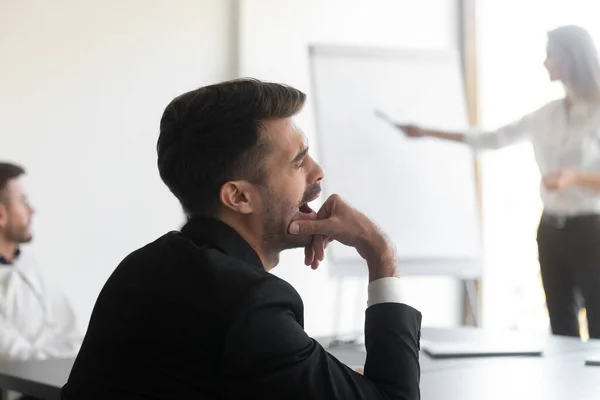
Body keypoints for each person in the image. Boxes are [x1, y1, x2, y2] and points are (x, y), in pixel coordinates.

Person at [61, 79, 422, 400]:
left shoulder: (143, 266)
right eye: (298, 162)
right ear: (239, 197)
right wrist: (379, 250)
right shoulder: (249, 303)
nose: (317, 171)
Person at [398, 25, 600, 340]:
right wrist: (426, 131)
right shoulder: (546, 115)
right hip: (550, 231)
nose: (545, 62)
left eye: (552, 54)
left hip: (592, 231)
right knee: (561, 327)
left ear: (572, 57)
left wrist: (573, 177)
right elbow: (491, 139)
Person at [0, 162, 81, 363]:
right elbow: (16, 358)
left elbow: (73, 332)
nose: (31, 211)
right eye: (23, 202)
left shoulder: (29, 263)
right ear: (1, 214)